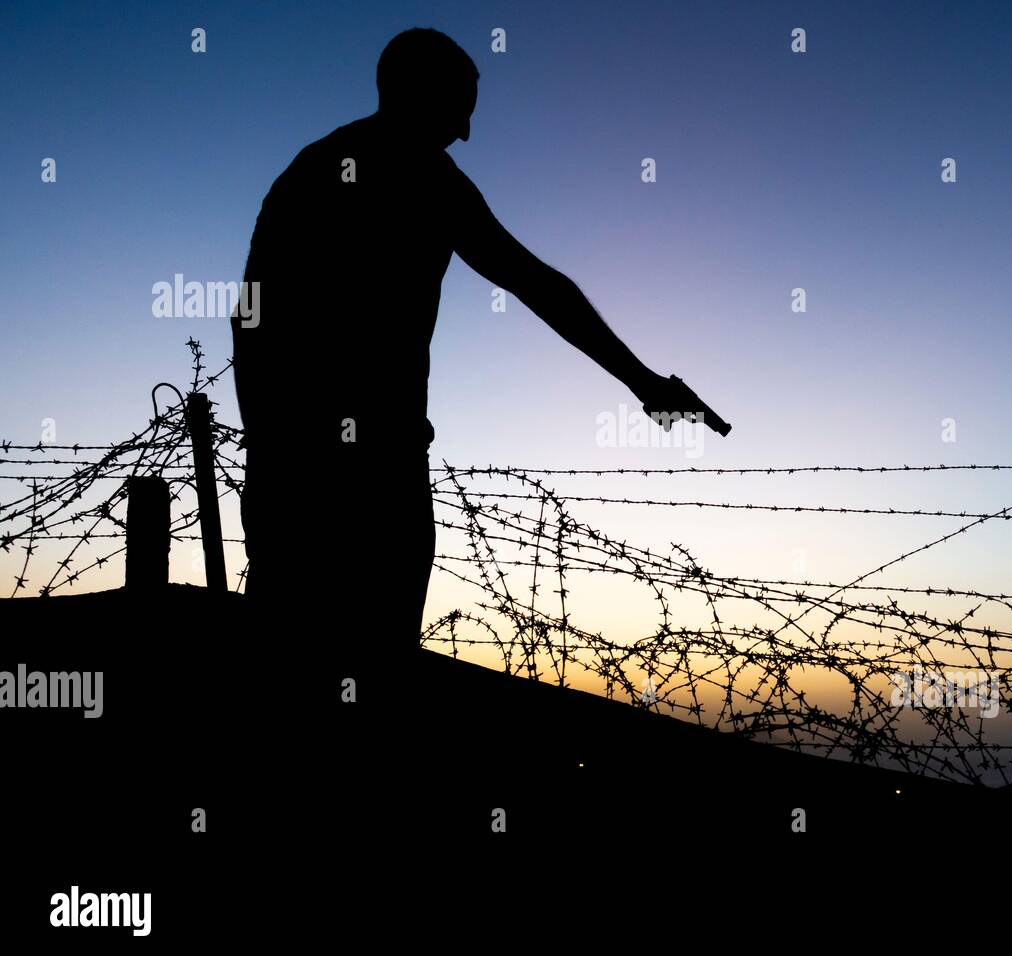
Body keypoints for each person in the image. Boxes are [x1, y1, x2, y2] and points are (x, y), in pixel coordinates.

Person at [229, 28, 727, 709]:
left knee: (290, 664)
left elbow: (249, 318)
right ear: (416, 93)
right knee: (361, 668)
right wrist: (643, 383)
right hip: (366, 469)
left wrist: (271, 441)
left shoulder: (316, 168)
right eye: (459, 107)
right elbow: (536, 283)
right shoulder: (422, 179)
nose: (465, 131)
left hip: (306, 461)